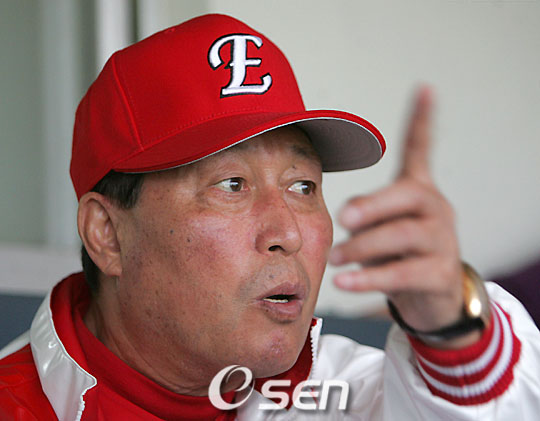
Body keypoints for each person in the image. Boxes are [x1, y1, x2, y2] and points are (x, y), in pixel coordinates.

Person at [0, 13, 538, 420]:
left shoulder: (345, 393)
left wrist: (454, 332)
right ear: (107, 235)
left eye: (303, 186)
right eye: (232, 185)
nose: (288, 233)